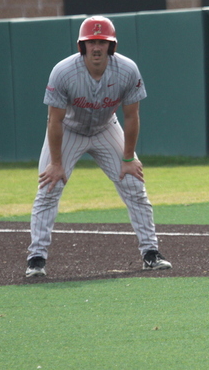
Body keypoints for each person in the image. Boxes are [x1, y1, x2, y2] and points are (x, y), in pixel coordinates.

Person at [25, 16, 172, 277]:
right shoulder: (63, 71)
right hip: (69, 130)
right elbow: (55, 120)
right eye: (90, 41)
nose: (96, 47)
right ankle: (36, 258)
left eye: (102, 42)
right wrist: (56, 164)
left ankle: (151, 253)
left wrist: (128, 158)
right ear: (81, 45)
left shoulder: (127, 70)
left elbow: (131, 116)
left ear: (111, 46)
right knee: (49, 186)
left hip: (106, 127)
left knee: (135, 185)